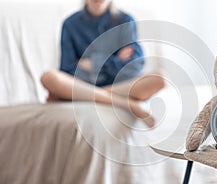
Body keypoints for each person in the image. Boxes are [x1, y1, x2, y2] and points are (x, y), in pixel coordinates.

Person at [40, 0, 165, 128]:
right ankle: (128, 104)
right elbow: (67, 70)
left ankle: (88, 95)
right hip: (83, 84)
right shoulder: (70, 24)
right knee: (49, 77)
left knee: (159, 79)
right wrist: (116, 61)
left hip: (118, 86)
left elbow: (134, 66)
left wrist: (93, 63)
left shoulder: (126, 20)